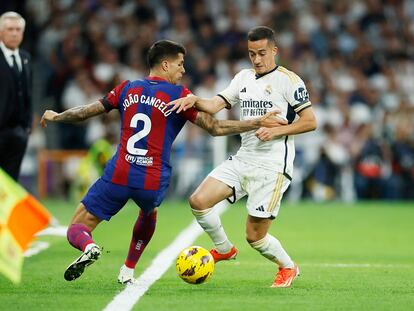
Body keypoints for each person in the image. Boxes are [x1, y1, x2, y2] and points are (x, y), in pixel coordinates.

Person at [40, 40, 286, 284]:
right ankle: (128, 269)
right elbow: (215, 127)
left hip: (119, 172)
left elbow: (85, 112)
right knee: (148, 213)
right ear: (165, 65)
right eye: (180, 64)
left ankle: (89, 245)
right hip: (152, 177)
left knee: (76, 228)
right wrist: (256, 122)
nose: (183, 70)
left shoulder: (127, 88)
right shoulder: (179, 96)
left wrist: (57, 115)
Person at [168, 26, 317, 288]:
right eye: (251, 54)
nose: (257, 59)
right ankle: (224, 249)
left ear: (274, 50)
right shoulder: (243, 78)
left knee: (255, 238)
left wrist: (277, 131)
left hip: (272, 168)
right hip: (243, 158)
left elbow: (310, 121)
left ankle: (288, 267)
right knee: (199, 200)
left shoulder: (290, 81)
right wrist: (191, 99)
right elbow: (214, 105)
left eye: (262, 53)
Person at [0, 11, 32, 181]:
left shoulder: (25, 58)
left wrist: (26, 128)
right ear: (0, 32)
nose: (14, 33)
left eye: (18, 29)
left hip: (18, 134)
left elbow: (28, 94)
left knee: (11, 182)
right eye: (9, 29)